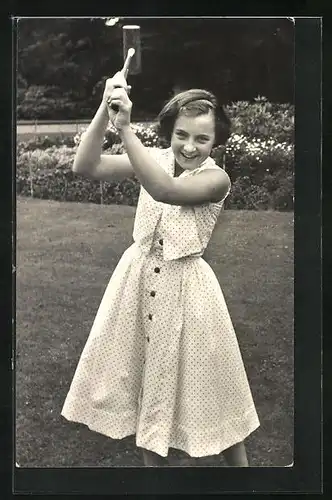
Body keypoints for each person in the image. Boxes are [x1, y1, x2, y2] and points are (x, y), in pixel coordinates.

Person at [61, 69, 260, 467]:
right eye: (182, 135)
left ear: (216, 141)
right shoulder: (154, 159)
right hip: (136, 282)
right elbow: (86, 166)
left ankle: (244, 479)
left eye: (202, 138)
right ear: (170, 132)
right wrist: (106, 107)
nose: (189, 146)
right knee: (144, 392)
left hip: (189, 293)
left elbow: (165, 191)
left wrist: (127, 129)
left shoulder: (216, 178)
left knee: (212, 394)